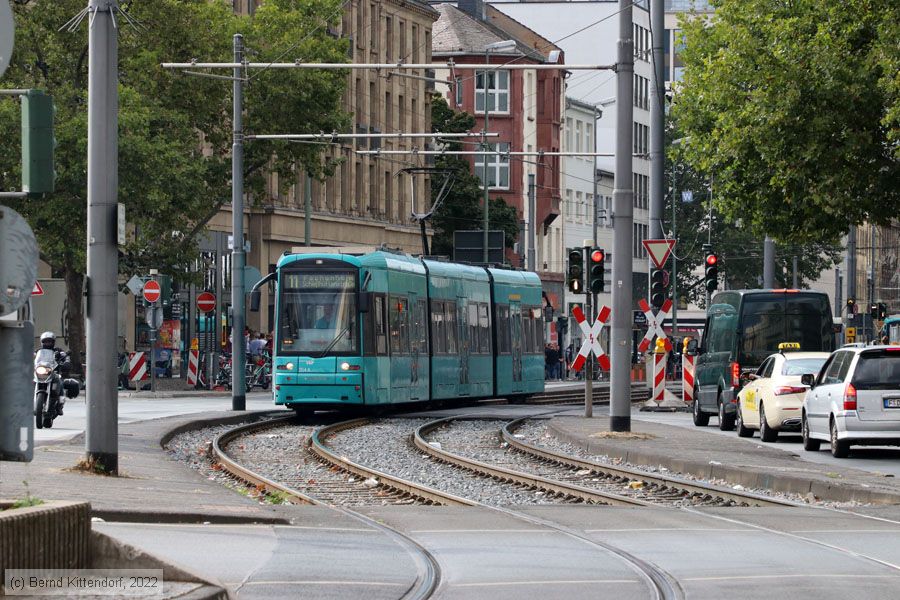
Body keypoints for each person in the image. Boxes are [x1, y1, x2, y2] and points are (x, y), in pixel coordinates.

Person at [37, 332, 72, 415]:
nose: (47, 343)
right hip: (41, 372)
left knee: (60, 382)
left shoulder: (58, 350)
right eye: (45, 341)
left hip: (54, 372)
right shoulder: (38, 351)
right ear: (42, 342)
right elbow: (33, 357)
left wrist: (66, 362)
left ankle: (60, 405)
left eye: (50, 341)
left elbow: (65, 357)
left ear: (53, 342)